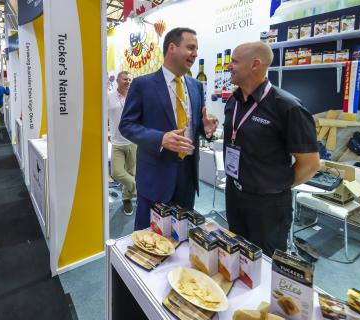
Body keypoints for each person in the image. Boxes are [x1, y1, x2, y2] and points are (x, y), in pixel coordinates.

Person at [223, 41, 320, 257]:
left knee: (264, 264)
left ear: (255, 65)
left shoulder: (288, 107)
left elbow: (310, 164)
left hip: (268, 205)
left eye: (235, 61)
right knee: (236, 255)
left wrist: (275, 185)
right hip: (234, 195)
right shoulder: (234, 101)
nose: (229, 66)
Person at [119, 27, 218, 230]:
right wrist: (160, 139)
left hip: (188, 176)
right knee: (148, 240)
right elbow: (126, 125)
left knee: (181, 236)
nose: (195, 54)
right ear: (172, 48)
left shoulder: (196, 86)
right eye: (190, 47)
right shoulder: (142, 85)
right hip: (156, 175)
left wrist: (206, 130)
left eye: (197, 49)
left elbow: (194, 126)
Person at [108, 71, 137, 215]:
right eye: (125, 79)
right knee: (117, 172)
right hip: (117, 142)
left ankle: (127, 199)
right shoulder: (109, 97)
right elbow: (102, 117)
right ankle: (137, 188)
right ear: (118, 81)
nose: (128, 81)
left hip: (132, 142)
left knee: (131, 172)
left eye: (129, 79)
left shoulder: (134, 97)